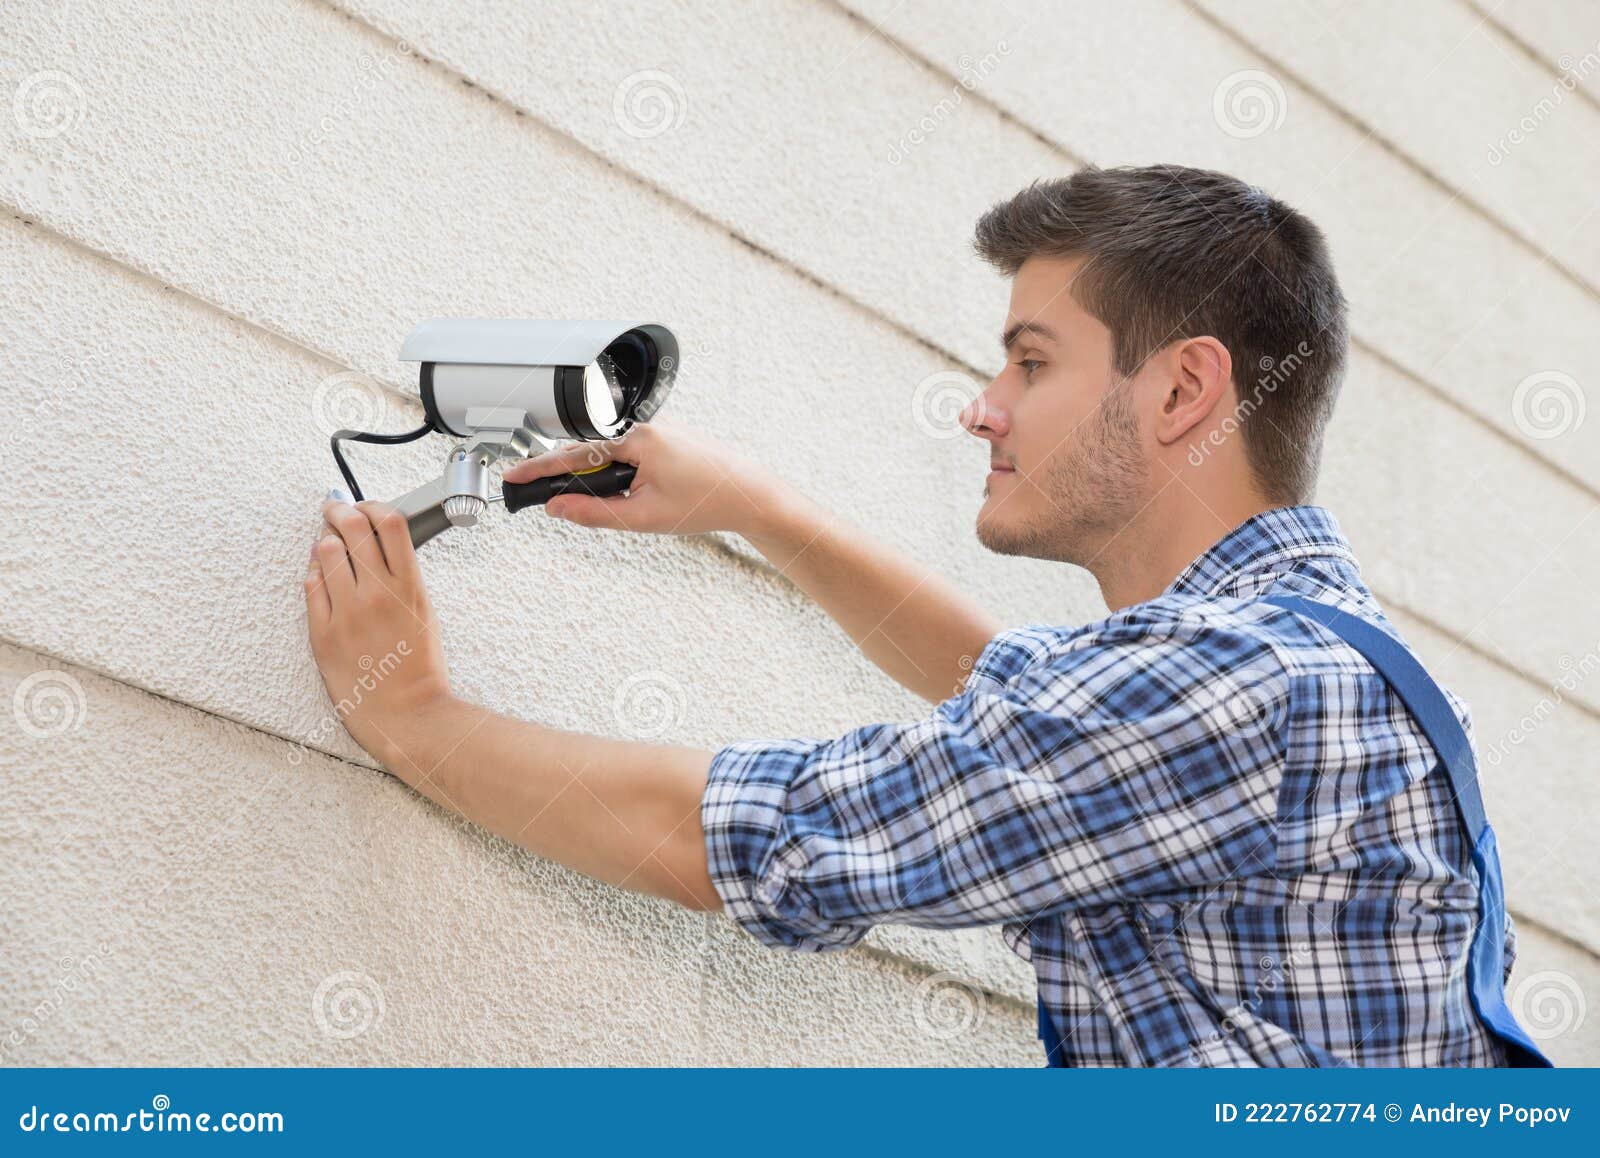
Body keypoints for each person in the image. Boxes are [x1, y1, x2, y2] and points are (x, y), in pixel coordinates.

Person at [304, 164, 1540, 1067]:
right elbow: (1024, 715)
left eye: (1033, 362)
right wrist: (762, 513)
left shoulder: (1234, 688)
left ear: (1181, 391)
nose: (983, 407)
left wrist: (413, 717)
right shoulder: (1300, 660)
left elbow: (730, 837)